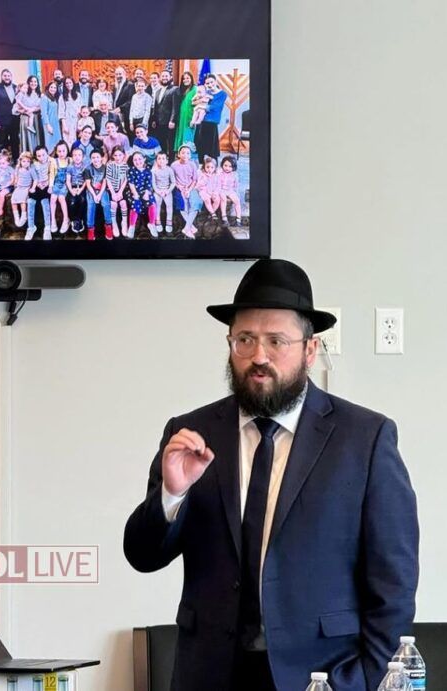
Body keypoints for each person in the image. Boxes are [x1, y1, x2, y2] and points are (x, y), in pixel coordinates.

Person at [124, 258, 419, 691]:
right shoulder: (190, 433)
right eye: (245, 339)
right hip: (209, 674)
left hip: (323, 676)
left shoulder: (365, 439)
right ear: (230, 344)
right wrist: (172, 495)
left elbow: (393, 582)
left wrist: (366, 679)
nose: (258, 356)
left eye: (276, 340)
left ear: (310, 349)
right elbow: (143, 556)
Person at [194, 73, 228, 164]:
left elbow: (215, 106)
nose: (210, 85)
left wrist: (202, 106)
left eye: (211, 82)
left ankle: (214, 166)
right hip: (201, 121)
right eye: (207, 83)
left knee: (212, 147)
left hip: (212, 122)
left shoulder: (222, 94)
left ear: (215, 81)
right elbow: (194, 102)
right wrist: (200, 103)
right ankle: (201, 165)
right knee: (200, 145)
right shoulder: (206, 92)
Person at [0, 68, 19, 161]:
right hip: (1, 121)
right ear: (2, 77)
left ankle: (16, 159)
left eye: (9, 76)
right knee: (2, 143)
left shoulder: (16, 87)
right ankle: (2, 162)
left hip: (14, 120)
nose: (7, 77)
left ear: (11, 77)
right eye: (5, 76)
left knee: (15, 141)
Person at [171, 144, 201, 238]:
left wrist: (189, 189)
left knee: (196, 203)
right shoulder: (174, 165)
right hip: (179, 187)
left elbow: (194, 180)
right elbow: (173, 180)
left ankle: (186, 228)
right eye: (183, 153)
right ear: (179, 154)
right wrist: (179, 187)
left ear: (190, 155)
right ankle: (190, 227)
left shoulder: (192, 164)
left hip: (190, 187)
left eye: (188, 153)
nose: (185, 155)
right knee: (183, 204)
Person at [83, 148, 112, 240]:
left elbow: (104, 182)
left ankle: (108, 225)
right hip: (91, 190)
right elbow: (88, 184)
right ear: (90, 159)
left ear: (101, 158)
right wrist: (95, 195)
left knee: (105, 204)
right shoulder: (88, 169)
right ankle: (90, 228)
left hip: (102, 190)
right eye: (93, 157)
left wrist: (99, 195)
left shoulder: (105, 167)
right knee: (91, 205)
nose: (95, 159)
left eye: (97, 157)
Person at [150, 69, 179, 158]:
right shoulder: (158, 91)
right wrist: (154, 120)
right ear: (160, 78)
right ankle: (162, 160)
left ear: (170, 77)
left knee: (170, 142)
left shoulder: (175, 89)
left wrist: (172, 120)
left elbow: (175, 106)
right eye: (163, 76)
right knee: (161, 141)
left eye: (166, 76)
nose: (164, 78)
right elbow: (156, 107)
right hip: (159, 122)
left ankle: (170, 161)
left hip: (169, 122)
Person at [126, 150, 156, 239]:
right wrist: (135, 194)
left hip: (145, 191)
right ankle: (132, 226)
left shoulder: (148, 171)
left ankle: (151, 224)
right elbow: (131, 184)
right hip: (133, 191)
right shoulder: (131, 170)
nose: (138, 162)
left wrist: (147, 193)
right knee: (136, 204)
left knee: (152, 204)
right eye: (135, 160)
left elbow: (148, 184)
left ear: (144, 159)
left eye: (139, 159)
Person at [27, 145, 52, 240]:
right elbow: (34, 177)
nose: (41, 157)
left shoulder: (51, 162)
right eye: (39, 156)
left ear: (47, 153)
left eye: (43, 155)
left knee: (45, 201)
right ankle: (31, 227)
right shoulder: (34, 164)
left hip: (48, 185)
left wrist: (47, 183)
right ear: (36, 156)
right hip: (37, 185)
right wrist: (37, 184)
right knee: (30, 201)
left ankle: (47, 227)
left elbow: (53, 174)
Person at [106, 146, 129, 238]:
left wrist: (120, 192)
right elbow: (108, 180)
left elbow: (125, 180)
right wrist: (113, 193)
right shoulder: (110, 165)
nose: (118, 157)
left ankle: (124, 222)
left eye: (120, 155)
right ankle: (114, 222)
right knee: (113, 204)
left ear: (123, 155)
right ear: (113, 156)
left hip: (122, 189)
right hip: (112, 189)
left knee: (123, 202)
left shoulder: (125, 165)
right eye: (116, 155)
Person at [151, 151, 175, 236]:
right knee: (157, 204)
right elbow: (153, 183)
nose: (161, 160)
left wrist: (168, 191)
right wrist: (158, 191)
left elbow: (173, 182)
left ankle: (169, 222)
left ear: (167, 161)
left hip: (167, 190)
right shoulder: (153, 170)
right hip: (158, 191)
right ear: (156, 160)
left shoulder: (170, 170)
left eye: (163, 158)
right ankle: (157, 221)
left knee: (169, 205)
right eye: (159, 158)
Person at [49, 140, 71, 234]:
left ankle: (66, 220)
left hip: (66, 184)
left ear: (67, 150)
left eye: (63, 151)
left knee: (61, 198)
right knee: (53, 198)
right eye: (59, 151)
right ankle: (53, 219)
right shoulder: (54, 161)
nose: (62, 153)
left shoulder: (70, 160)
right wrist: (50, 186)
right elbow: (52, 175)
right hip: (57, 183)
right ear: (56, 152)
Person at [65, 146, 88, 233]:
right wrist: (71, 190)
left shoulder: (85, 166)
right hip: (73, 186)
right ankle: (73, 220)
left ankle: (80, 219)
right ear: (72, 157)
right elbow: (68, 180)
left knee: (82, 200)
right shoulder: (70, 167)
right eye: (75, 155)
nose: (77, 157)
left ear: (83, 157)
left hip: (82, 186)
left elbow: (86, 180)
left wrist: (81, 189)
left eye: (79, 155)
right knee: (72, 201)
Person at [17, 75, 42, 153]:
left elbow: (41, 107)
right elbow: (17, 108)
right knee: (27, 138)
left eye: (35, 81)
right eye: (31, 81)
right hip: (26, 119)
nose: (33, 83)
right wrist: (26, 111)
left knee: (36, 138)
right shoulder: (24, 93)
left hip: (36, 119)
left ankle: (37, 155)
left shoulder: (40, 94)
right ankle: (27, 157)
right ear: (28, 82)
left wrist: (33, 109)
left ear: (37, 83)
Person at [173, 71, 197, 151]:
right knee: (181, 134)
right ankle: (180, 153)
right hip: (182, 117)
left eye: (187, 78)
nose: (185, 80)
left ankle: (187, 154)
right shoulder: (183, 90)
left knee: (188, 136)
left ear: (191, 79)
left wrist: (194, 119)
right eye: (184, 79)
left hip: (190, 117)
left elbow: (197, 105)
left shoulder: (195, 89)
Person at [219, 155, 244, 228]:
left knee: (237, 201)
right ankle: (224, 218)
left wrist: (236, 193)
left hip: (230, 190)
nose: (227, 168)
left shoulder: (235, 175)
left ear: (234, 167)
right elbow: (216, 183)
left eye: (230, 166)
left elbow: (236, 186)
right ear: (222, 165)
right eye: (225, 165)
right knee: (223, 199)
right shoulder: (219, 173)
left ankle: (238, 220)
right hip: (221, 189)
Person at [11, 151, 33, 229]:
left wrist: (31, 187)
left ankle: (24, 216)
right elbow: (16, 177)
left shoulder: (30, 170)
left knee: (23, 200)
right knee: (13, 199)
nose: (26, 163)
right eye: (24, 161)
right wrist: (15, 183)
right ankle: (16, 216)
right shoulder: (18, 168)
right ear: (20, 161)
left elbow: (34, 179)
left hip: (26, 188)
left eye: (28, 161)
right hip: (19, 187)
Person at [59, 76, 83, 147]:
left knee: (77, 140)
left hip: (77, 120)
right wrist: (64, 125)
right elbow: (61, 112)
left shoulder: (78, 95)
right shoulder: (62, 97)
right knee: (68, 141)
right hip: (67, 121)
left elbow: (81, 108)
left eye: (70, 82)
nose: (69, 84)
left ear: (73, 83)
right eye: (67, 83)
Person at [196, 155, 222, 220]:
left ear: (215, 168)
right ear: (204, 166)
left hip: (213, 191)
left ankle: (211, 213)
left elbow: (218, 185)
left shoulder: (216, 175)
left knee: (217, 200)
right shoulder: (201, 174)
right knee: (207, 200)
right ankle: (213, 213)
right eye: (207, 167)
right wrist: (205, 179)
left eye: (212, 167)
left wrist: (215, 193)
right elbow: (198, 185)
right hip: (204, 191)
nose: (209, 169)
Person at [40, 81, 62, 151]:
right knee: (49, 142)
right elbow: (44, 113)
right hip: (48, 123)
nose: (53, 89)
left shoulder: (55, 98)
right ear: (48, 88)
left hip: (56, 123)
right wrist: (48, 125)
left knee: (57, 141)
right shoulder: (44, 98)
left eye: (55, 88)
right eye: (51, 87)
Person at [112, 66, 134, 134]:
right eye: (117, 74)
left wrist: (120, 108)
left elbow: (131, 100)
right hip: (116, 114)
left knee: (127, 134)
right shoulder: (115, 86)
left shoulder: (130, 85)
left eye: (120, 74)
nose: (118, 76)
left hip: (125, 114)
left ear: (124, 74)